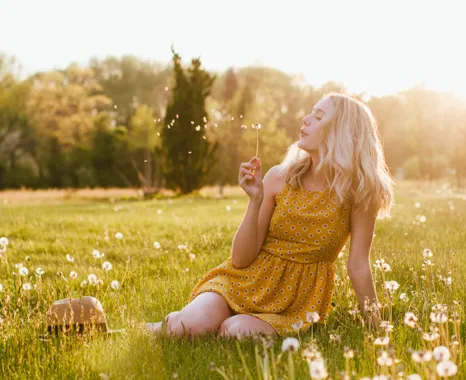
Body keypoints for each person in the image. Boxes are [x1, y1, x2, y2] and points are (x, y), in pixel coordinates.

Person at [145, 92, 395, 338]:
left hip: (294, 303)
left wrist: (375, 324)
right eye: (310, 113)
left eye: (318, 116)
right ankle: (136, 331)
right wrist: (255, 200)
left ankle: (230, 321)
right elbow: (241, 259)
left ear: (341, 131)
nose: (305, 119)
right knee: (191, 325)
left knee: (235, 333)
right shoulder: (279, 177)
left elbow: (359, 263)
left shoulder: (360, 191)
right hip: (243, 281)